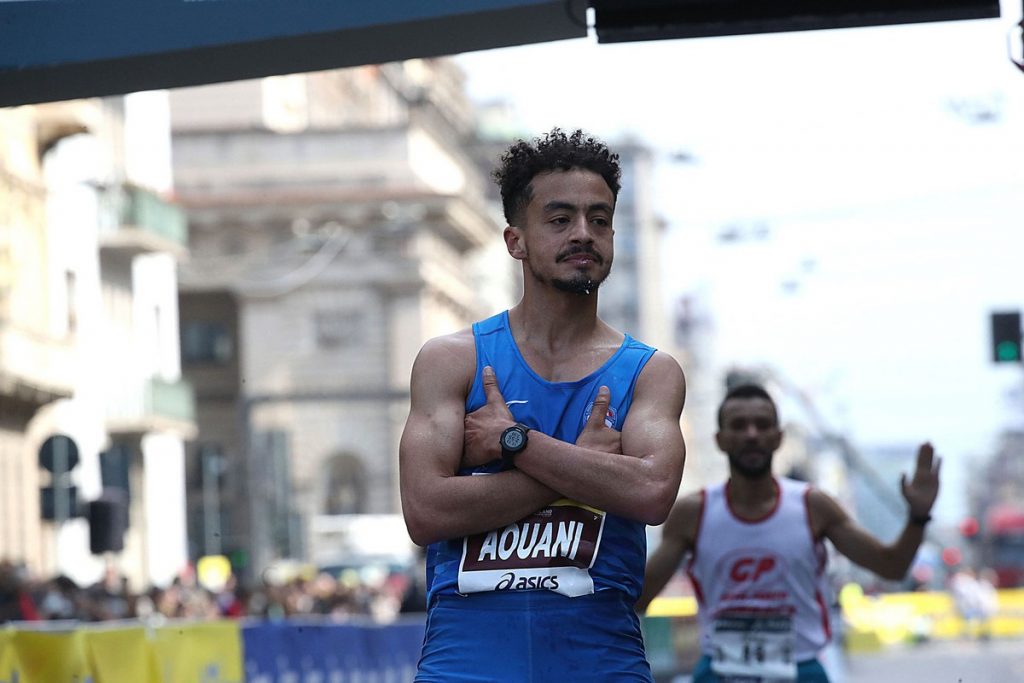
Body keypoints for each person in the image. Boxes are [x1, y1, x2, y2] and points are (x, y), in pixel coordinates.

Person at [399, 128, 687, 682]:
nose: (583, 233)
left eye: (599, 219)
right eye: (559, 219)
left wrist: (517, 443)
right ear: (516, 241)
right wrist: (586, 466)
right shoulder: (452, 360)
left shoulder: (651, 372)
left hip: (602, 668)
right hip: (466, 669)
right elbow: (426, 511)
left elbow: (651, 493)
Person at [637, 383, 940, 683]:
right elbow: (639, 599)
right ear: (720, 439)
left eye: (762, 424)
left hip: (800, 671)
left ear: (778, 436)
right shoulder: (694, 513)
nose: (751, 434)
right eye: (739, 425)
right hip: (719, 671)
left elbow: (891, 566)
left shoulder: (813, 506)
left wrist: (918, 517)